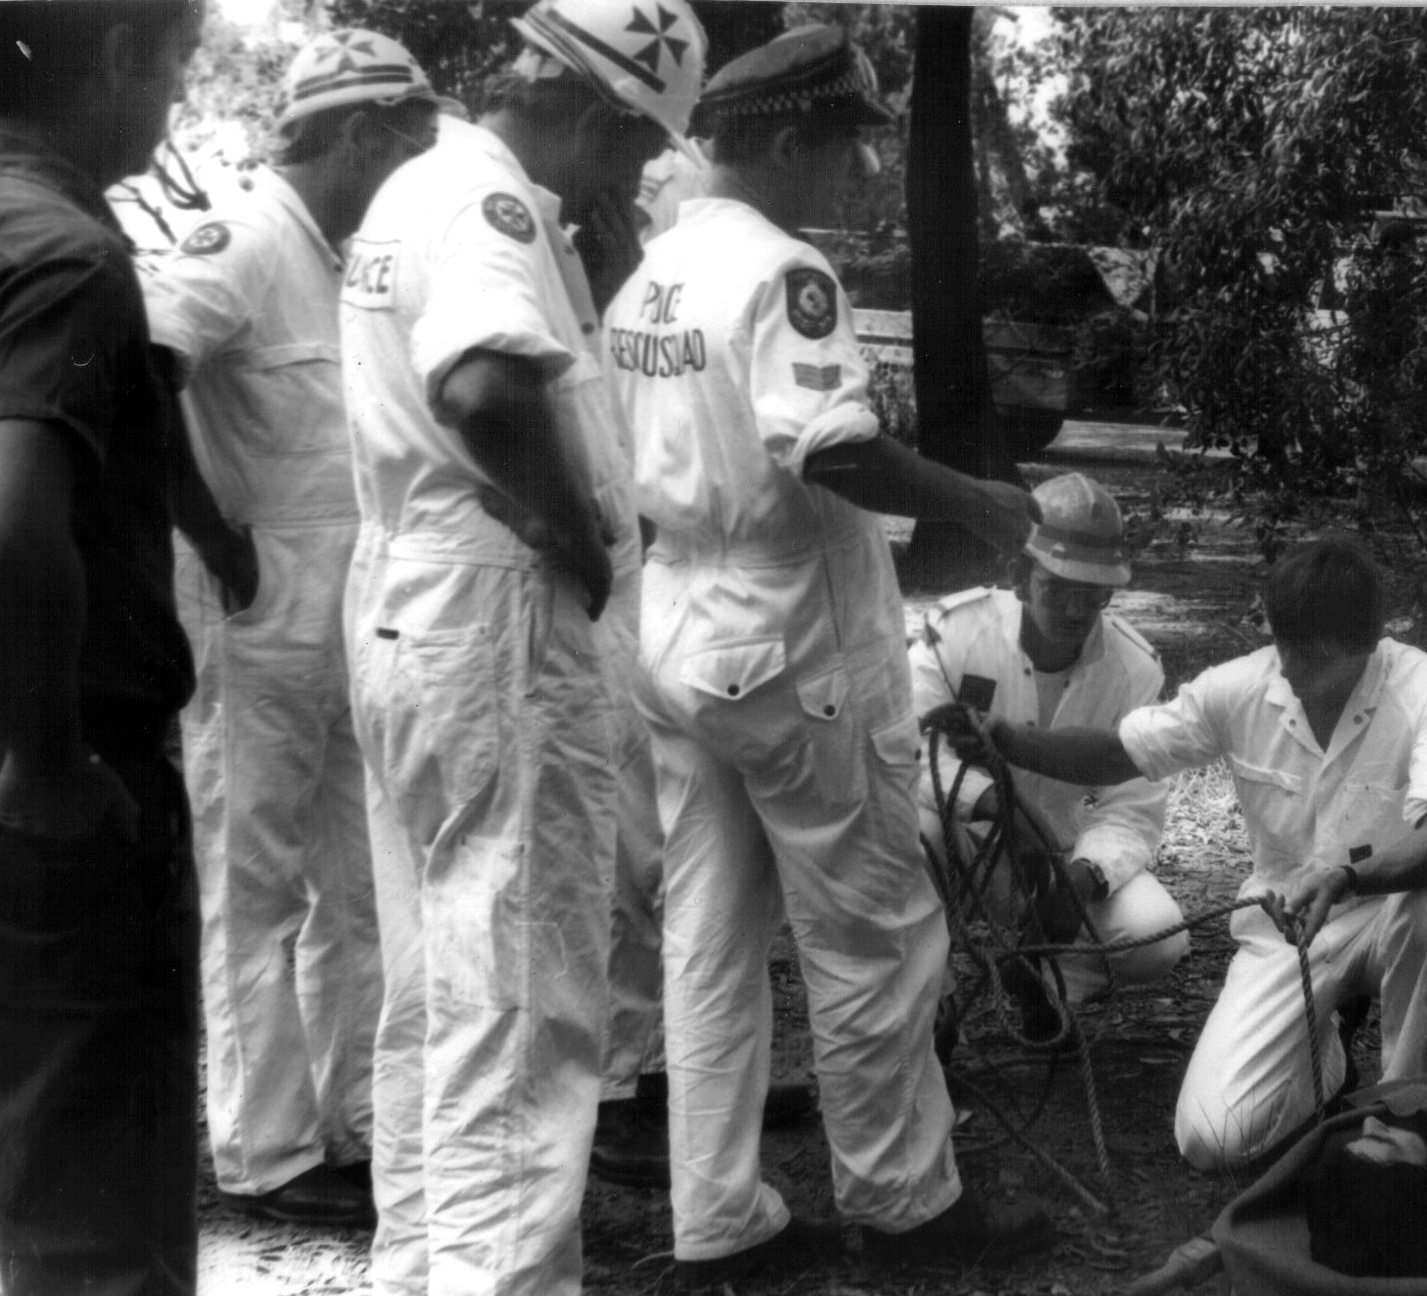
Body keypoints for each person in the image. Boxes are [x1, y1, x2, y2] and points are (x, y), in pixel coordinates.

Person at [602, 25, 1054, 1288]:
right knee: (872, 926)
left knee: (707, 933)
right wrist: (978, 500)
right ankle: (905, 1206)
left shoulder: (649, 277)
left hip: (678, 621)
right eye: (844, 147)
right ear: (787, 141)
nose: (854, 176)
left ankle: (717, 1217)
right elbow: (832, 448)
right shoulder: (784, 273)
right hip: (786, 633)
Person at [337, 0, 703, 1289]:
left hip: (410, 597)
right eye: (628, 146)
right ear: (596, 109)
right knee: (523, 995)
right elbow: (485, 386)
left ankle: (427, 1264)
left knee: (440, 979)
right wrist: (578, 533)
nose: (624, 176)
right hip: (496, 613)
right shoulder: (487, 202)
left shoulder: (412, 187)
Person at [137, 30, 444, 1232]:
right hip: (258, 613)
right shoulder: (246, 238)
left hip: (351, 614)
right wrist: (216, 542)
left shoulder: (354, 255)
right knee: (251, 887)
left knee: (355, 886)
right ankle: (262, 1150)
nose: (415, 164)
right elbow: (141, 365)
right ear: (358, 136)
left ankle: (351, 1121)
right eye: (405, 142)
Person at [936, 534, 1427, 1172]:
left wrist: (1348, 875)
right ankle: (1325, 1058)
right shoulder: (1242, 687)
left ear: (1366, 647)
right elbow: (1121, 751)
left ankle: (1409, 1113)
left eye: (1310, 655)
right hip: (1286, 927)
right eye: (1282, 645)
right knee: (1215, 1141)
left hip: (1389, 908)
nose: (1289, 669)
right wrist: (1012, 742)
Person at [0, 2, 204, 1291]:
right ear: (123, 54)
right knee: (96, 1221)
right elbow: (16, 525)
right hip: (65, 798)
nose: (177, 95)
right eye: (179, 61)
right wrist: (54, 761)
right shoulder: (65, 250)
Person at [912, 472, 1188, 1041]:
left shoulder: (1134, 668)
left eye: (1093, 593)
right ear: (1018, 575)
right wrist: (999, 806)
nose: (1076, 608)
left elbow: (1133, 807)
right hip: (964, 843)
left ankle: (1044, 977)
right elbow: (908, 755)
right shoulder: (954, 634)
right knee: (909, 840)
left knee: (1157, 938)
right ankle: (928, 1005)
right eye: (1059, 587)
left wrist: (1085, 876)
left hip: (1061, 853)